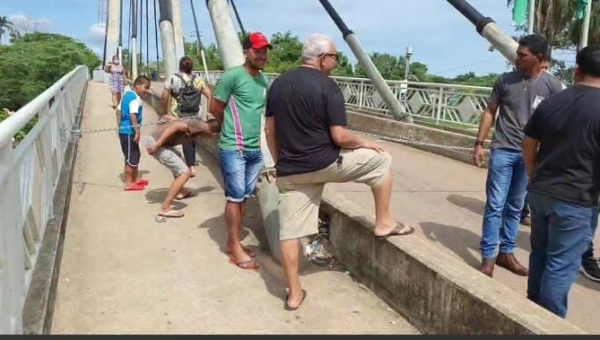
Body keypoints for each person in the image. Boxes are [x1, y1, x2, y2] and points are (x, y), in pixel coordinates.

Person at [264, 34, 414, 311]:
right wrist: (367, 143)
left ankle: (294, 294)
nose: (336, 61)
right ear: (322, 59)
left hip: (291, 172)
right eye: (334, 56)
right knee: (382, 161)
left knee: (289, 233)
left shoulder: (278, 85)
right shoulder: (327, 86)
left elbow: (270, 130)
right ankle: (383, 222)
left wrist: (280, 163)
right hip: (326, 164)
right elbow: (340, 136)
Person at [472, 35, 564, 278]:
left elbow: (556, 124)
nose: (517, 58)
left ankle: (507, 252)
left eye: (523, 55)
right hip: (502, 150)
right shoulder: (505, 81)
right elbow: (490, 111)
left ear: (539, 58)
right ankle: (488, 256)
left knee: (515, 207)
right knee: (495, 205)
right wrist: (479, 143)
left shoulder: (552, 87)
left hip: (530, 156)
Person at [522, 45, 600, 318]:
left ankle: (530, 313)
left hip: (541, 191)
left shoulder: (552, 102)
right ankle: (549, 324)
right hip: (576, 200)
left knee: (540, 255)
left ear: (577, 69)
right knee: (561, 265)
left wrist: (533, 174)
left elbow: (529, 142)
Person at [208, 32, 272, 270]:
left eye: (265, 51)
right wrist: (230, 130)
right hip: (234, 148)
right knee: (235, 197)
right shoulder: (233, 76)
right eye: (257, 51)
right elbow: (215, 106)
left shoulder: (264, 81)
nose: (262, 55)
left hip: (254, 149)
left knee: (243, 197)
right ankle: (235, 247)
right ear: (246, 51)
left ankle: (231, 242)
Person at [145, 117, 220, 217]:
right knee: (184, 172)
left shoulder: (197, 123)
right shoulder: (200, 127)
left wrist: (163, 121)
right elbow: (174, 127)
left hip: (160, 143)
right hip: (157, 144)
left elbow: (168, 116)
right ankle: (165, 208)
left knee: (178, 158)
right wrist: (157, 145)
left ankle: (181, 191)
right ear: (213, 134)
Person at [162, 57, 213, 177]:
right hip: (195, 115)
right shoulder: (198, 79)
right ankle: (191, 164)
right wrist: (208, 112)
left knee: (180, 140)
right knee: (191, 139)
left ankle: (186, 167)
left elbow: (164, 97)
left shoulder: (173, 79)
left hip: (178, 116)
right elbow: (209, 94)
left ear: (180, 66)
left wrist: (164, 113)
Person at [117, 75, 151, 191]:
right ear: (137, 85)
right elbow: (133, 114)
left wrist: (119, 125)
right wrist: (137, 131)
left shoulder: (127, 95)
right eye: (145, 87)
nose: (147, 90)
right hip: (129, 131)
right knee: (131, 157)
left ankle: (135, 180)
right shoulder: (135, 98)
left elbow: (118, 110)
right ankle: (128, 183)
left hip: (124, 130)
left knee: (135, 155)